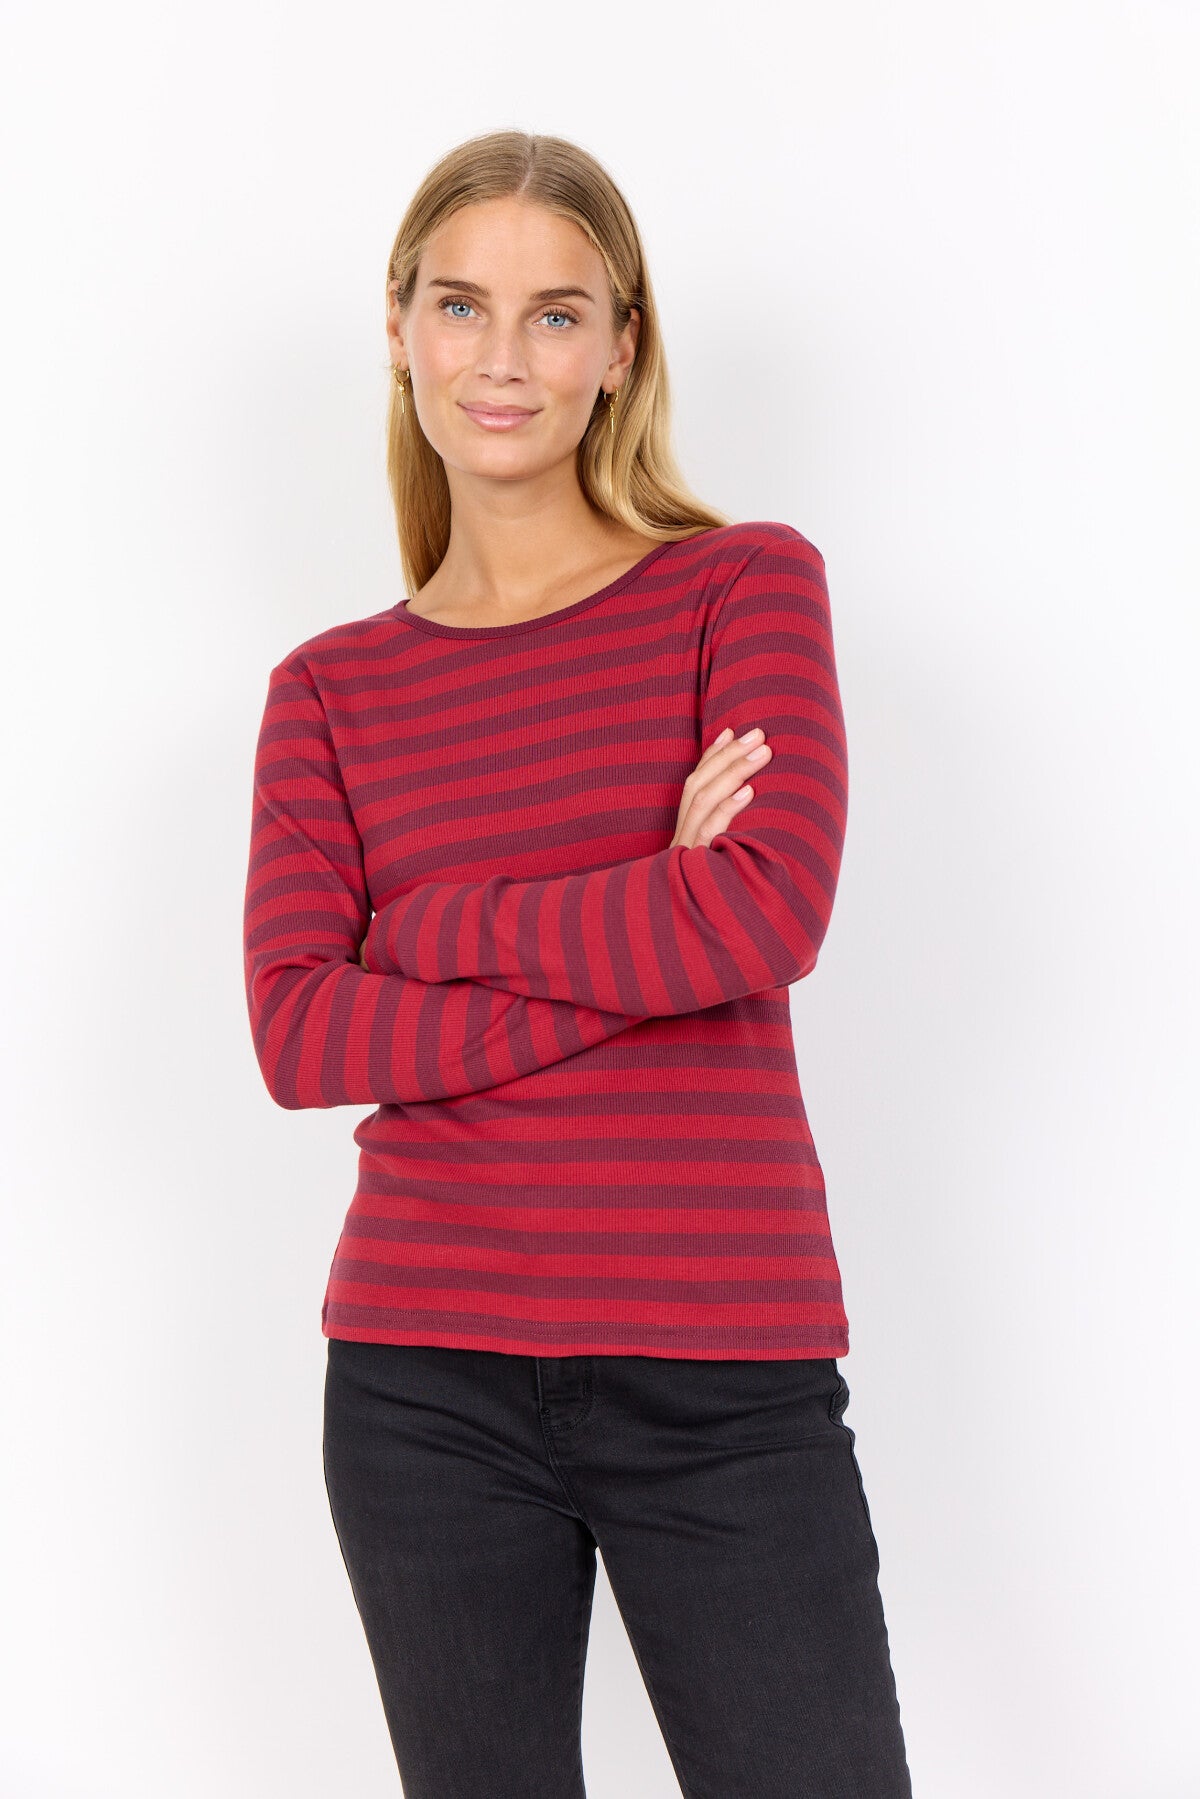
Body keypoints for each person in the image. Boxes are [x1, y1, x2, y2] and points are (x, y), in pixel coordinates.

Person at [242, 129, 913, 1799]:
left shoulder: (743, 588)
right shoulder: (328, 691)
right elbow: (303, 1034)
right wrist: (646, 911)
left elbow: (762, 918)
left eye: (557, 314)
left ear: (620, 349)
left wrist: (431, 932)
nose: (503, 357)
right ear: (400, 326)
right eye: (462, 305)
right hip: (422, 1381)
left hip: (727, 1370)